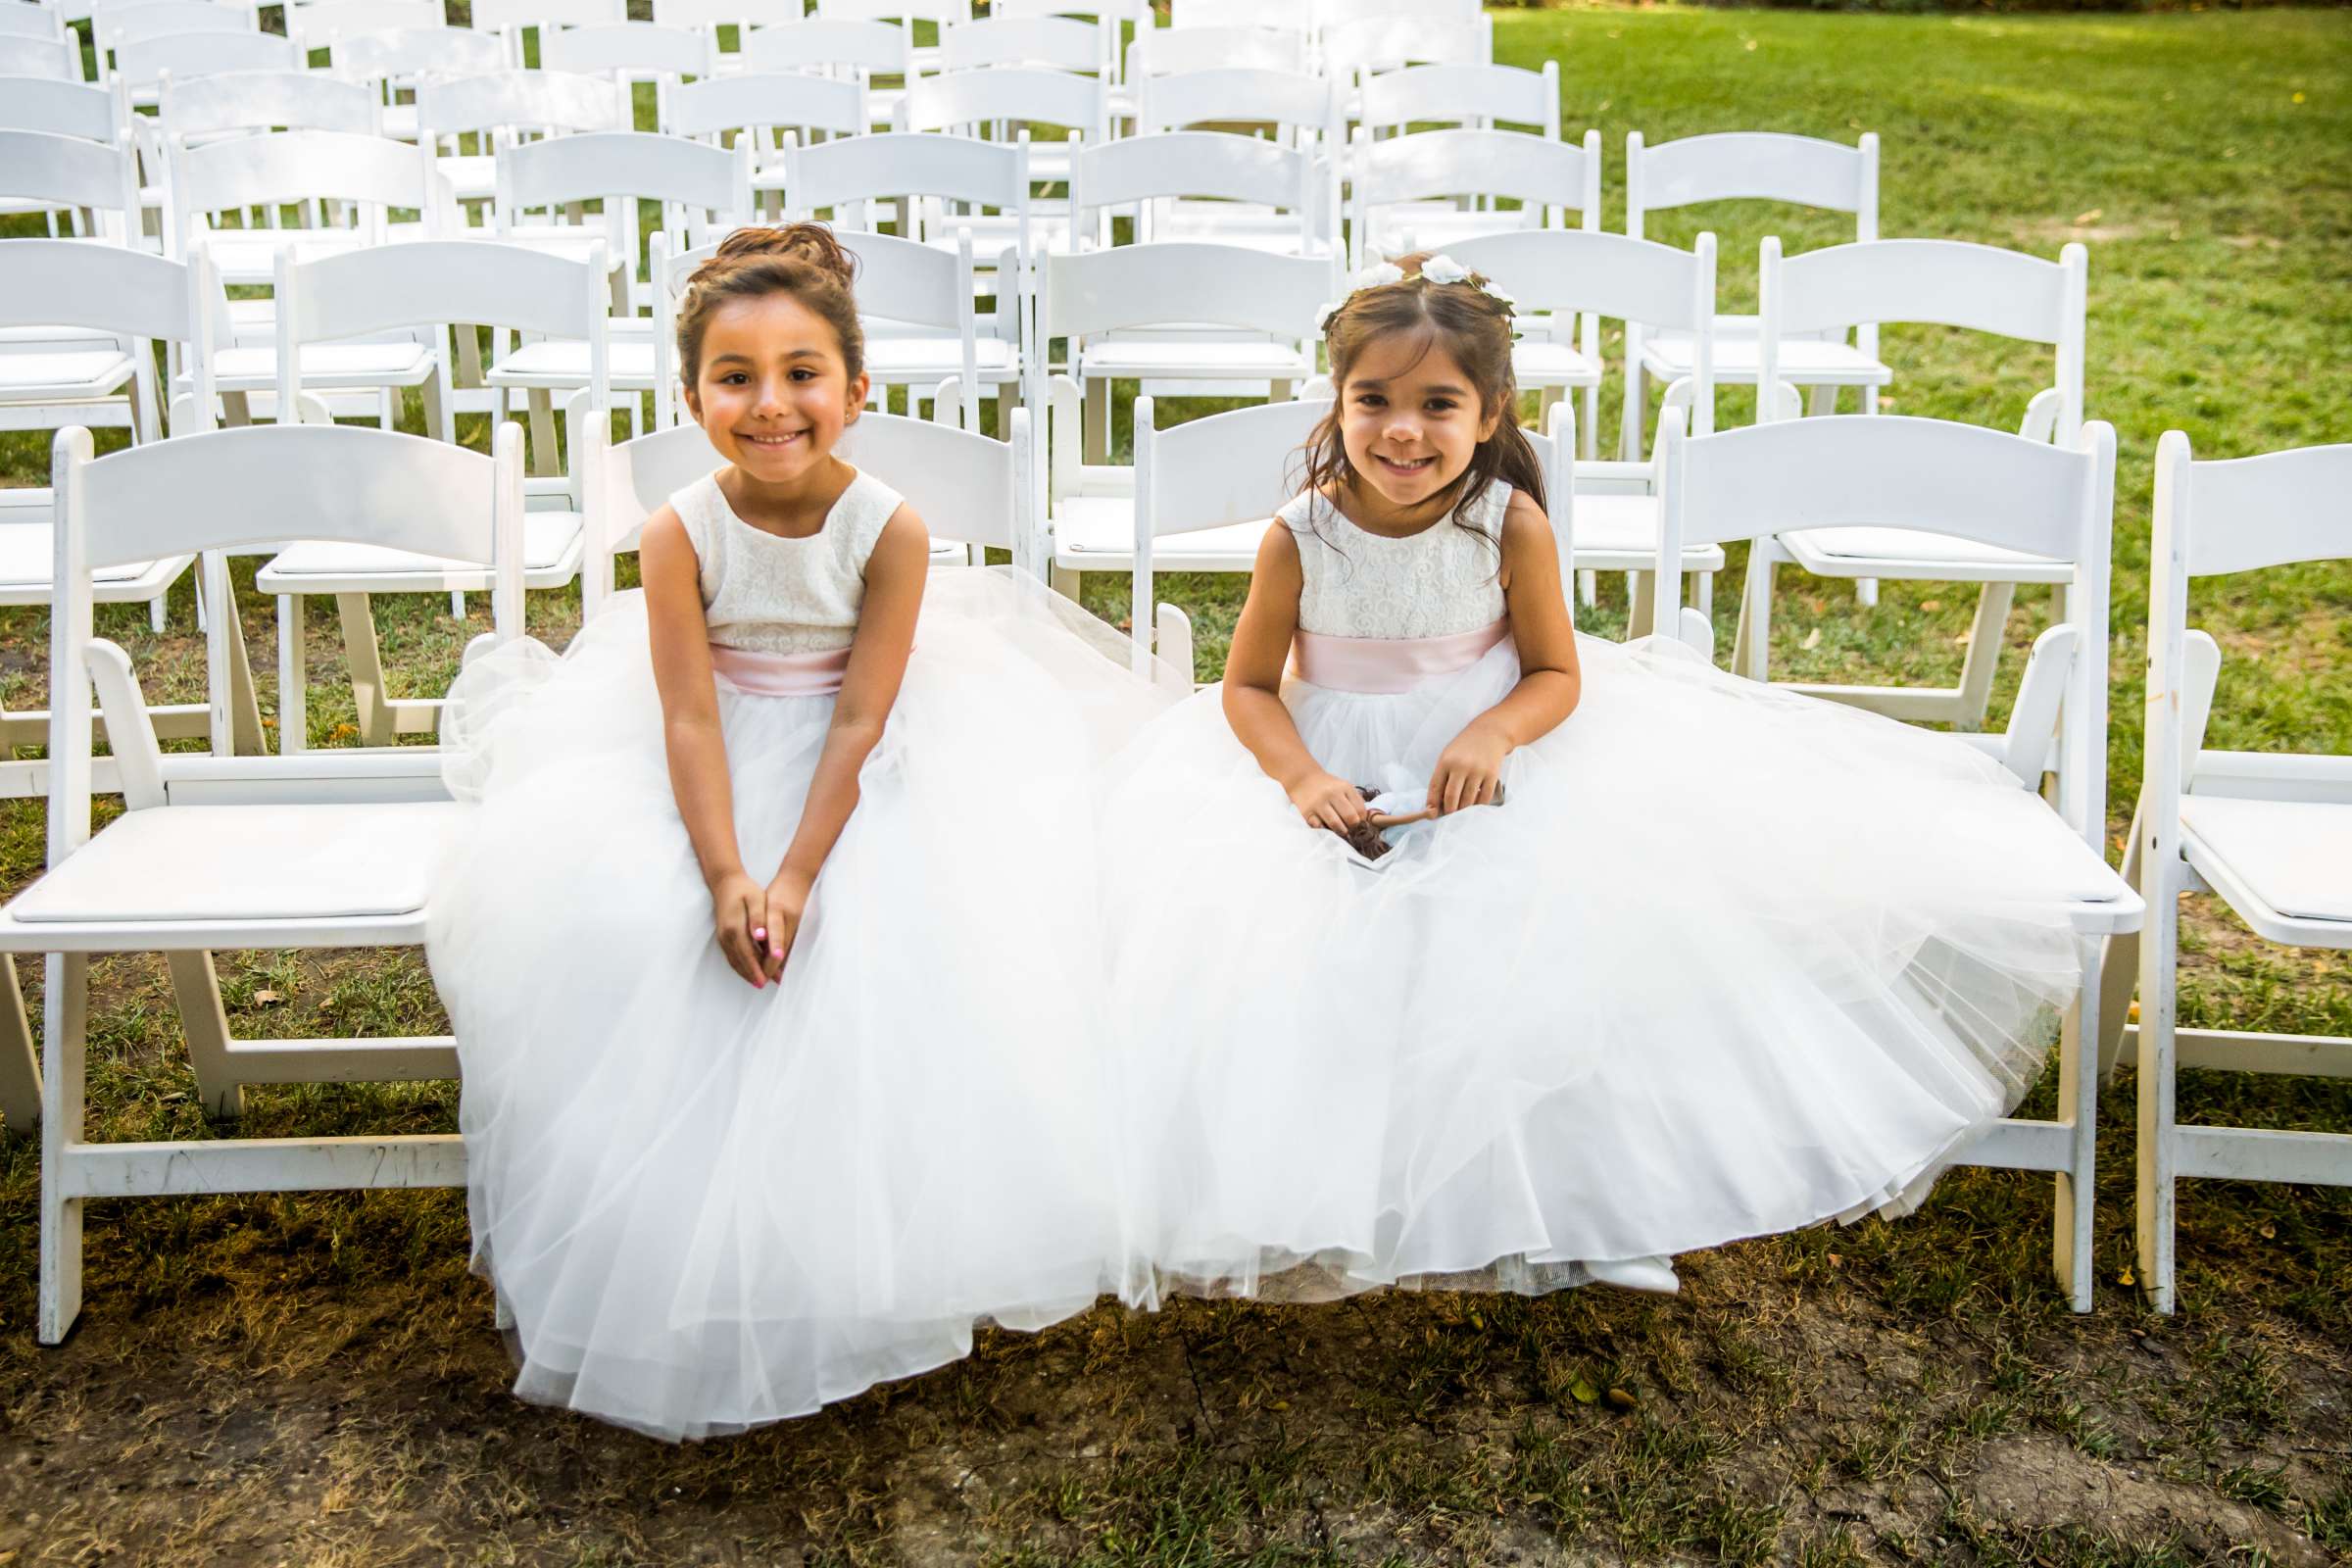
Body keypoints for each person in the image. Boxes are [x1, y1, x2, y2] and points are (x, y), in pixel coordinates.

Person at [1102, 252, 2113, 1304]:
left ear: (1492, 412)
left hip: (1493, 750)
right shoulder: (1299, 535)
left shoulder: (1509, 523)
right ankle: (1326, 1192)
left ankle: (1591, 1199)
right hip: (1326, 759)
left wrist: (1495, 735)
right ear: (1338, 402)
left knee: (1546, 944)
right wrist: (1302, 778)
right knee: (1308, 961)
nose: (1403, 430)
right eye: (1375, 401)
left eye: (1438, 403)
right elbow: (1249, 688)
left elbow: (1553, 671)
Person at [426, 225, 1169, 1441]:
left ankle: (864, 1243)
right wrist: (729, 873)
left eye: (803, 372)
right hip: (707, 763)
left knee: (900, 950)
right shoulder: (678, 531)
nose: (770, 405)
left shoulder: (891, 528)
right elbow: (685, 712)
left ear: (858, 389)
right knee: (633, 931)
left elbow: (866, 715)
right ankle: (683, 1242)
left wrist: (798, 870)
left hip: (865, 768)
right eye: (735, 377)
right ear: (692, 395)